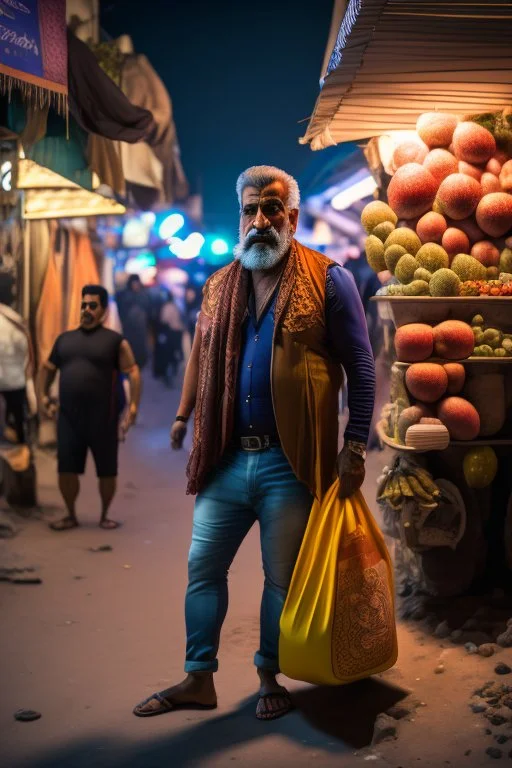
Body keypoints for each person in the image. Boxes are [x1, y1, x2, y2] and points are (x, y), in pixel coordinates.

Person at [133, 166, 375, 721]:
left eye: (271, 209)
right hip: (225, 457)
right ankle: (199, 678)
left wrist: (355, 444)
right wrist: (182, 414)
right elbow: (199, 353)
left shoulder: (328, 278)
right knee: (202, 568)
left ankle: (269, 673)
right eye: (250, 210)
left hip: (289, 463)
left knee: (280, 579)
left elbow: (361, 366)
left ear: (291, 216)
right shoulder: (220, 284)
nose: (259, 221)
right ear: (240, 217)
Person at [40, 284, 141, 531]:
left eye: (92, 305)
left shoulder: (114, 341)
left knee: (107, 470)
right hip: (69, 418)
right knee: (66, 469)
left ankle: (105, 515)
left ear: (104, 310)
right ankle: (70, 514)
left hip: (103, 418)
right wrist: (42, 396)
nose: (86, 309)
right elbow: (47, 369)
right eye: (83, 304)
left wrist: (133, 408)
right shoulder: (65, 340)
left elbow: (133, 372)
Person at [116, 274, 151, 369]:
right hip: (129, 330)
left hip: (140, 329)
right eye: (134, 284)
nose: (136, 286)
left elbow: (148, 310)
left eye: (137, 284)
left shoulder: (143, 295)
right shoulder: (125, 296)